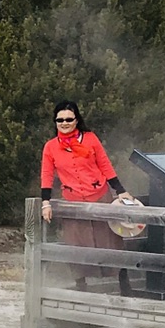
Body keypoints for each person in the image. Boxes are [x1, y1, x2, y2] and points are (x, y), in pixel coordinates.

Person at [39, 101, 127, 251]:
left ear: (76, 120)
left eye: (69, 119)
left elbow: (104, 164)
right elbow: (46, 174)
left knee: (108, 240)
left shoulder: (90, 138)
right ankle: (79, 275)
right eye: (60, 120)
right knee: (77, 242)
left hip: (100, 197)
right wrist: (45, 203)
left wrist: (120, 190)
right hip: (73, 201)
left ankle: (117, 274)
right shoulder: (51, 146)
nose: (64, 123)